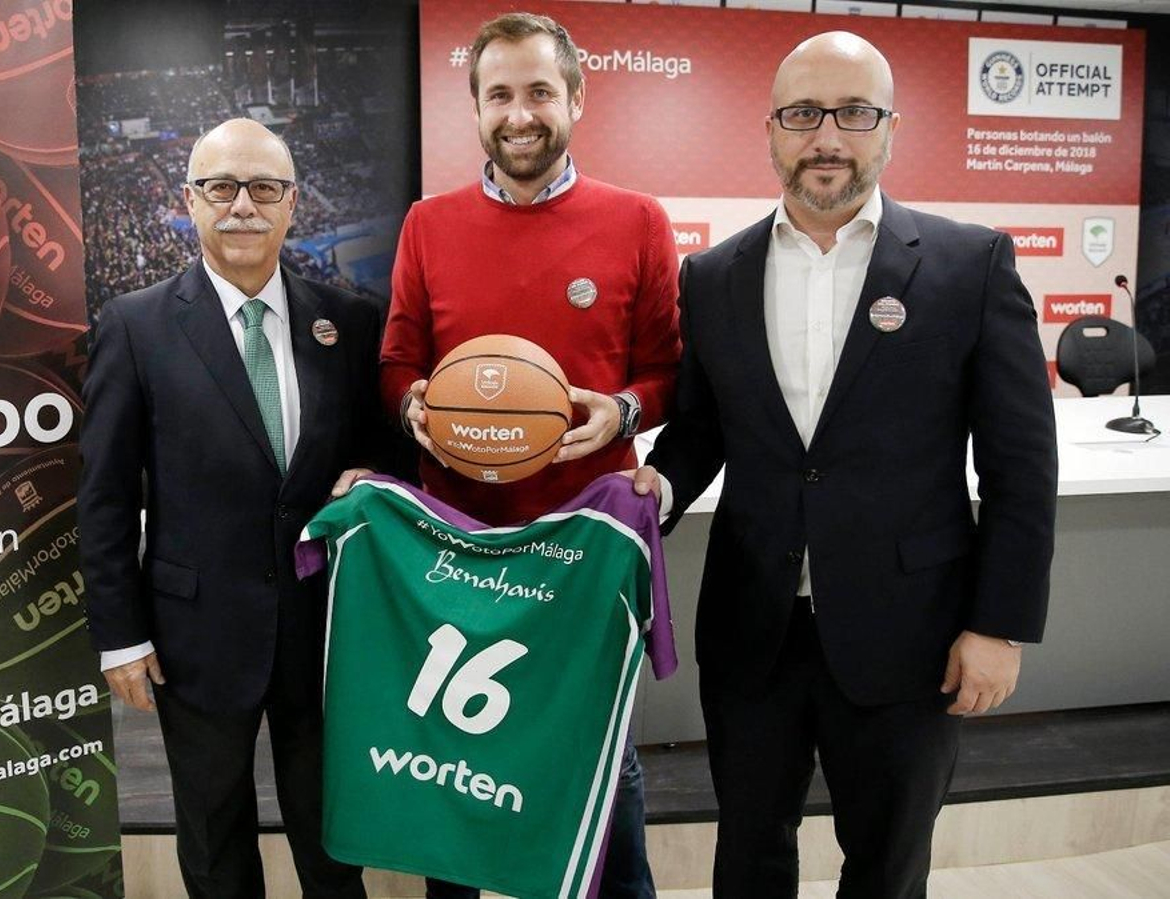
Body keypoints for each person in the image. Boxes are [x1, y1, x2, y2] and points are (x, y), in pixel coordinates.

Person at [632, 32, 1058, 898]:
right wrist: (654, 489)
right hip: (755, 630)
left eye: (854, 112)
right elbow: (703, 429)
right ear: (772, 131)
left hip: (914, 634)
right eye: (802, 114)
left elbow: (1021, 464)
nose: (827, 135)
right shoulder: (711, 276)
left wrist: (999, 625)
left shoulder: (970, 264)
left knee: (888, 864)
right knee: (749, 855)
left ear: (890, 128)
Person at [379, 13, 682, 898]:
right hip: (456, 552)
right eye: (500, 94)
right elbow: (397, 360)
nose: (521, 114)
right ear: (474, 108)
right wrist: (414, 410)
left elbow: (667, 370)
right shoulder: (428, 226)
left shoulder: (637, 221)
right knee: (455, 767)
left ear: (576, 100)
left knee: (601, 768)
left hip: (583, 549)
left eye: (540, 91)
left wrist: (623, 408)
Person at [79, 118, 387, 899]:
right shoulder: (136, 324)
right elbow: (107, 493)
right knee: (215, 840)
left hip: (322, 627)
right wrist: (120, 635)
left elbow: (384, 453)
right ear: (191, 200)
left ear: (292, 205)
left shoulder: (346, 322)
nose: (242, 205)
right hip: (196, 632)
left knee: (335, 833)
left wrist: (373, 478)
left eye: (263, 188)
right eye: (222, 186)